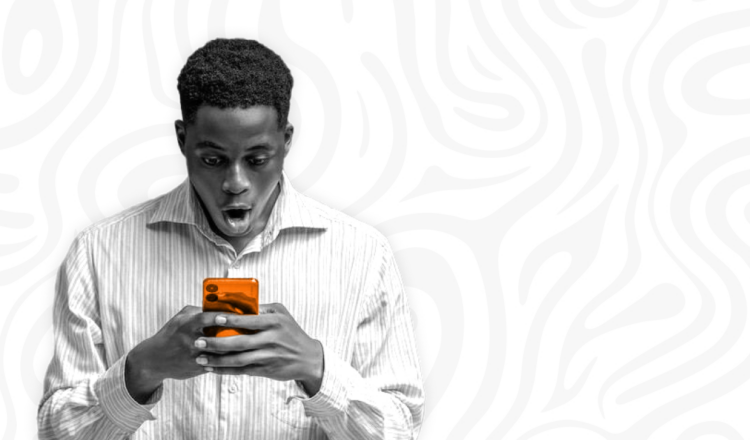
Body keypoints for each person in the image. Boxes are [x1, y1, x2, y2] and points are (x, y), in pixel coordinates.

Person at [37, 38, 425, 439]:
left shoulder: (363, 255)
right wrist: (141, 370)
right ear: (182, 140)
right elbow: (55, 432)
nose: (235, 182)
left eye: (257, 160)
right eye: (213, 160)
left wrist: (317, 369)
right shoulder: (98, 253)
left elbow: (401, 430)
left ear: (286, 141)